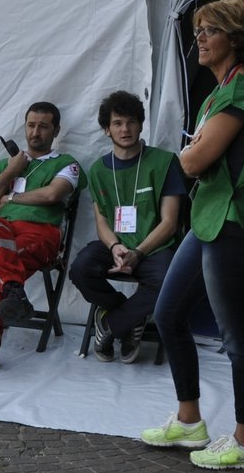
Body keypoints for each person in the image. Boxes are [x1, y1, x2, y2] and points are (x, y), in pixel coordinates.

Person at [142, 0, 244, 470]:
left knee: (236, 336)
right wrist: (191, 153)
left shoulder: (243, 94)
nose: (199, 38)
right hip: (210, 218)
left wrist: (184, 156)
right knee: (168, 314)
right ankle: (189, 420)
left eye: (210, 30)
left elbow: (195, 160)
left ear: (236, 40)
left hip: (233, 223)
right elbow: (196, 155)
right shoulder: (217, 94)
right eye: (198, 29)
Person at [0, 101, 86, 376]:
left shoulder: (66, 164)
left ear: (56, 131)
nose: (35, 132)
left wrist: (11, 197)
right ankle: (14, 289)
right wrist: (11, 171)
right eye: (31, 125)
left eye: (43, 127)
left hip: (39, 234)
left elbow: (53, 194)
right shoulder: (5, 166)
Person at [69, 91, 187, 364]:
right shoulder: (99, 170)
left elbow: (170, 223)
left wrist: (139, 252)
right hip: (117, 245)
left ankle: (111, 324)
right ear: (106, 129)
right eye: (118, 123)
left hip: (155, 246)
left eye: (132, 122)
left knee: (168, 282)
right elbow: (102, 220)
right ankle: (127, 316)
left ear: (141, 124)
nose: (126, 129)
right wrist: (115, 246)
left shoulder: (164, 161)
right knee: (80, 268)